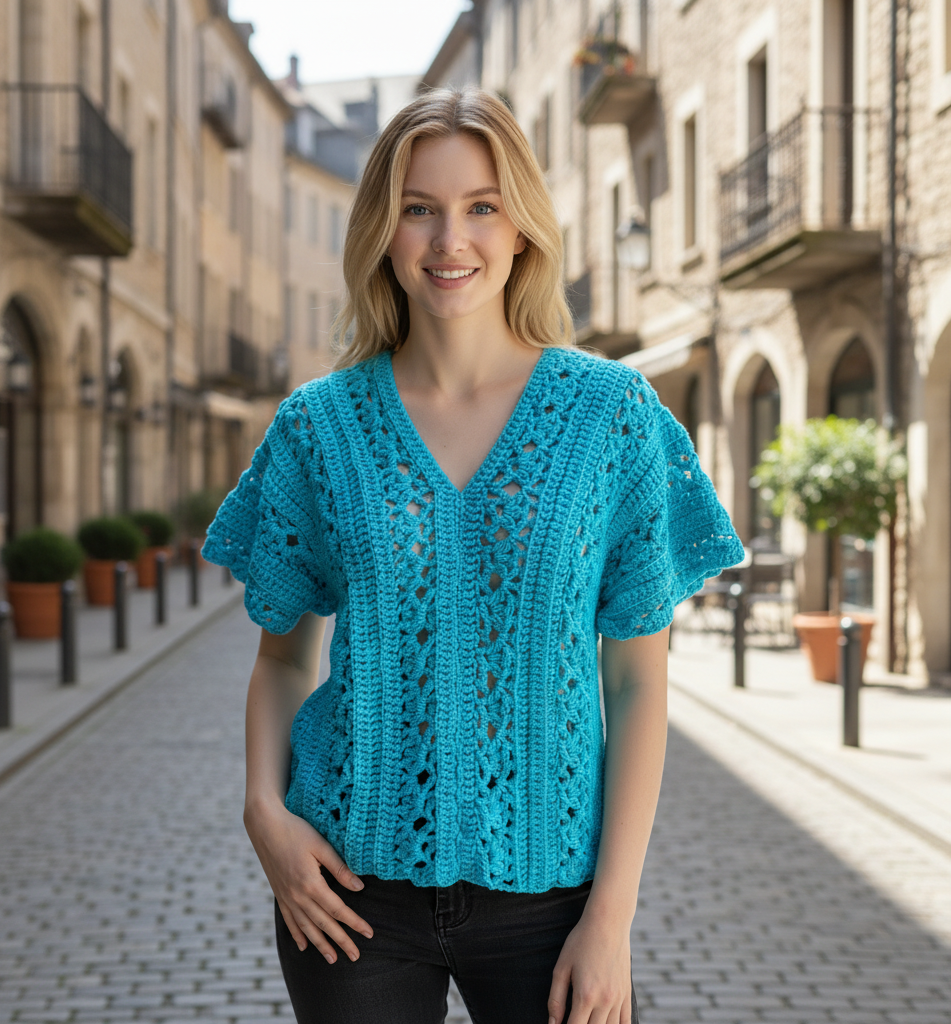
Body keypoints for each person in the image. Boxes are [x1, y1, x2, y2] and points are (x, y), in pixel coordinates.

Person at [202, 87, 745, 1024]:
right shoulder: (319, 428)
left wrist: (610, 919)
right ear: (384, 229)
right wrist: (265, 815)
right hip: (346, 887)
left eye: (481, 206)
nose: (450, 240)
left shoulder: (611, 417)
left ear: (523, 227)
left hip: (553, 897)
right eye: (420, 208)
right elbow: (284, 657)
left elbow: (637, 684)